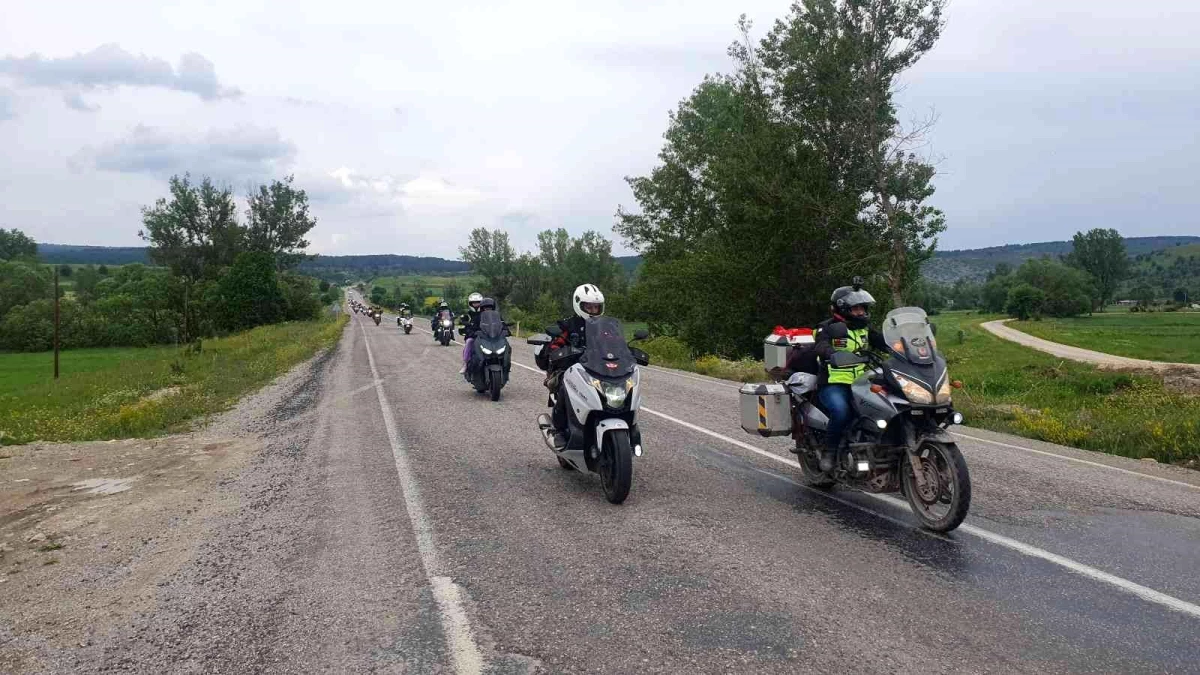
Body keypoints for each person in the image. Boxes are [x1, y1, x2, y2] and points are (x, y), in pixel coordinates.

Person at [809, 281, 888, 472]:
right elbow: (820, 345)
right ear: (843, 309)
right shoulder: (826, 328)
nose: (861, 312)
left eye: (862, 308)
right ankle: (830, 452)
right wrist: (832, 354)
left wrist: (908, 347)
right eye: (856, 308)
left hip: (863, 382)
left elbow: (885, 343)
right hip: (834, 383)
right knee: (841, 411)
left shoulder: (865, 329)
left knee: (888, 407)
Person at [546, 284, 606, 447]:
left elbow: (616, 343)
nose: (593, 310)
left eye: (596, 307)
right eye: (589, 307)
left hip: (599, 369)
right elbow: (555, 345)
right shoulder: (568, 325)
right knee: (565, 388)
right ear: (579, 305)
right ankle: (558, 430)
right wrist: (560, 352)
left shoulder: (606, 326)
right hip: (572, 368)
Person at [458, 293, 487, 374]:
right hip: (473, 335)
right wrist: (466, 326)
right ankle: (465, 364)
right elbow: (461, 323)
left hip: (485, 335)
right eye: (474, 302)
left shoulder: (486, 313)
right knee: (469, 342)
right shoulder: (467, 314)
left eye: (478, 302)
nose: (476, 304)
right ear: (470, 303)